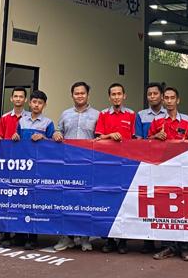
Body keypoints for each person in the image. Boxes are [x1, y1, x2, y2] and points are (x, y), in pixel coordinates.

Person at [52, 81, 99, 252]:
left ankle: (85, 238)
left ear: (88, 95)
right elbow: (58, 131)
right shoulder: (65, 114)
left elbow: (100, 138)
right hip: (68, 164)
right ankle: (66, 237)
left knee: (85, 201)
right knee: (66, 200)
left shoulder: (97, 115)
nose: (80, 96)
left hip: (88, 164)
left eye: (82, 93)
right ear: (72, 95)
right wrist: (57, 134)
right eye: (76, 93)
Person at [148, 86, 188, 262]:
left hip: (184, 170)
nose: (168, 101)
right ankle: (168, 246)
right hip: (163, 171)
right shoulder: (157, 121)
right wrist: (155, 137)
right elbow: (147, 143)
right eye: (166, 98)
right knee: (165, 207)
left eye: (172, 97)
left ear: (178, 100)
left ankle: (184, 247)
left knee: (184, 207)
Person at [95, 83, 136, 255]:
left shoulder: (131, 115)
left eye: (119, 94)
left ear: (124, 96)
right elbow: (98, 138)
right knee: (108, 201)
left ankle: (123, 240)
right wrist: (110, 136)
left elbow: (135, 139)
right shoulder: (103, 114)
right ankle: (109, 240)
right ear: (109, 97)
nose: (116, 97)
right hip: (107, 165)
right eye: (113, 94)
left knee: (125, 202)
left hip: (126, 164)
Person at [14, 89, 55, 250]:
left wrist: (44, 138)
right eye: (34, 102)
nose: (37, 105)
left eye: (40, 103)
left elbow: (53, 145)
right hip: (23, 168)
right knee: (21, 201)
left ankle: (33, 237)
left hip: (39, 169)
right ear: (30, 103)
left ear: (44, 105)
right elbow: (16, 140)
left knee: (35, 202)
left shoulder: (48, 123)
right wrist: (15, 137)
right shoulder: (21, 122)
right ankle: (19, 235)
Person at [0, 87, 28, 247]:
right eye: (16, 96)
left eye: (21, 96)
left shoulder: (28, 119)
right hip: (6, 165)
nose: (18, 99)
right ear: (11, 99)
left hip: (24, 166)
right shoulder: (5, 118)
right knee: (6, 198)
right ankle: (5, 233)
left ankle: (20, 234)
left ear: (25, 100)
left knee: (21, 199)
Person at [135, 82, 167, 255]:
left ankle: (166, 242)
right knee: (147, 202)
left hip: (167, 165)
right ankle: (148, 241)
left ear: (161, 96)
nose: (152, 97)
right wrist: (154, 137)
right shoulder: (140, 116)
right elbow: (138, 141)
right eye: (149, 94)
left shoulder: (170, 114)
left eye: (155, 93)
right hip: (146, 164)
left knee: (164, 202)